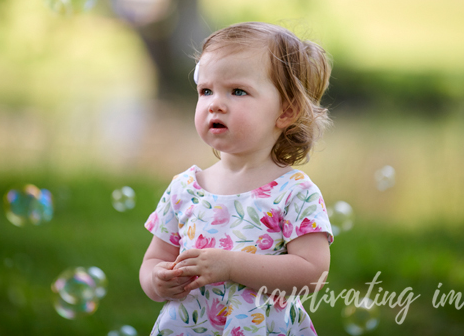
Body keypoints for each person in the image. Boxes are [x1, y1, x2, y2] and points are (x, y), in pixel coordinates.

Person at [140, 21, 334, 335]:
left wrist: (230, 266)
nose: (215, 103)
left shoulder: (294, 192)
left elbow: (312, 273)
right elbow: (153, 260)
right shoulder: (184, 189)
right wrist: (158, 279)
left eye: (237, 91)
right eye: (205, 91)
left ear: (285, 111)